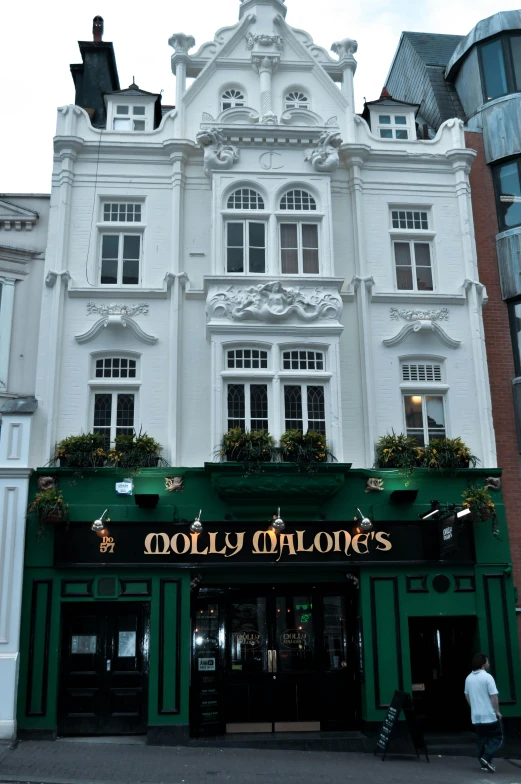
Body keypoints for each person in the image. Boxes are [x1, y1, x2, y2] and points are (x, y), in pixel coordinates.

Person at [464, 652, 503, 772]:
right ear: (483, 663)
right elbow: (494, 696)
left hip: (476, 716)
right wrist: (497, 711)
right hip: (488, 715)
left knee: (481, 739)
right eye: (487, 661)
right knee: (497, 737)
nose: (488, 663)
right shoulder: (487, 677)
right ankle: (486, 757)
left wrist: (474, 707)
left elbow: (466, 694)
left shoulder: (469, 678)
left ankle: (483, 764)